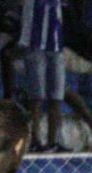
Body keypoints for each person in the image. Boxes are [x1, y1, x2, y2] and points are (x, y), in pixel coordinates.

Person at [19, 0, 68, 151]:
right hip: (35, 45)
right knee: (36, 96)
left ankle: (53, 141)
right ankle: (35, 139)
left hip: (56, 45)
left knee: (57, 96)